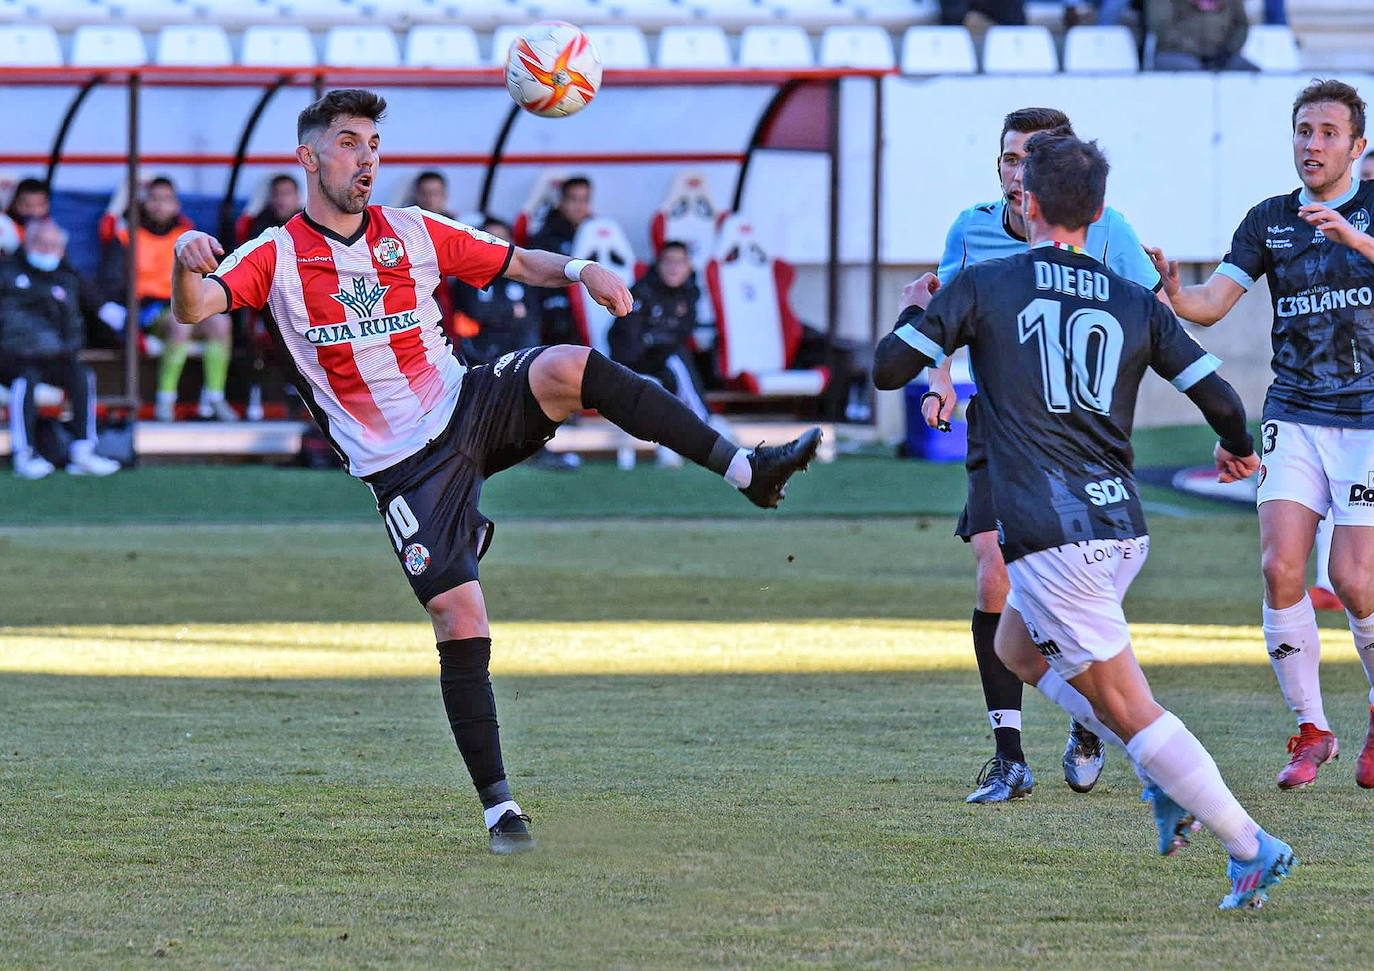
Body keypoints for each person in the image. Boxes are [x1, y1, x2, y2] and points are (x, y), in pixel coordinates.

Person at [169, 89, 821, 853]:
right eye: (348, 143)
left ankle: (750, 469)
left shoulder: (412, 230)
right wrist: (187, 258)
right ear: (308, 157)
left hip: (465, 401)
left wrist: (581, 269)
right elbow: (195, 309)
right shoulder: (276, 254)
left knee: (573, 365)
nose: (366, 158)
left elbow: (518, 262)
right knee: (460, 617)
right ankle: (499, 811)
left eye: (374, 143)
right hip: (403, 466)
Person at [874, 132, 1296, 911]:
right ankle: (1156, 770)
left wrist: (917, 311)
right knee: (1018, 651)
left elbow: (889, 370)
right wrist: (1236, 449)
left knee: (1135, 708)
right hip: (1120, 524)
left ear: (1025, 203)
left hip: (1054, 536)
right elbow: (1224, 400)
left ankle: (1251, 844)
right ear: (1098, 213)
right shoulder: (1132, 297)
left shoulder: (987, 283)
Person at [923, 107, 1167, 804]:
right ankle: (1009, 755)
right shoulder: (969, 229)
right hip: (998, 430)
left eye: (1031, 158)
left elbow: (1152, 319)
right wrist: (939, 377)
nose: (1017, 170)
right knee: (993, 573)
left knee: (1073, 601)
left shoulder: (1106, 229)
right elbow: (938, 316)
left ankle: (1091, 717)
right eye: (1008, 157)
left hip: (1080, 440)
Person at [1146, 79, 1374, 790]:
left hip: (1368, 420)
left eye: (1329, 132)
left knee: (1355, 579)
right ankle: (1312, 727)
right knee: (1280, 566)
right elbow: (1214, 304)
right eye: (1304, 130)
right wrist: (1177, 295)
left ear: (1358, 146)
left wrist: (1355, 240)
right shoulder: (1270, 220)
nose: (1313, 143)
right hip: (1295, 414)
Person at [101, 177, 237, 421]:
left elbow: (205, 275)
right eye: (154, 199)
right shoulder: (127, 236)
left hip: (186, 304)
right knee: (180, 326)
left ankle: (216, 396)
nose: (159, 206)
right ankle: (165, 400)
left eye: (166, 199)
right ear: (144, 202)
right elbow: (113, 282)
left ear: (176, 205)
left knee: (221, 323)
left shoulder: (187, 236)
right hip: (148, 310)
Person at [0, 219, 120, 479]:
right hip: (12, 354)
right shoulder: (6, 273)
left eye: (55, 245)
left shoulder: (66, 277)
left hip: (53, 354)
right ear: (28, 243)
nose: (48, 250)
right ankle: (24, 452)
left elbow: (74, 322)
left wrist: (69, 347)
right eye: (42, 243)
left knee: (81, 374)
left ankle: (83, 449)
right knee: (25, 378)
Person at [609, 240, 710, 466]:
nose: (674, 268)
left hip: (662, 362)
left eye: (680, 262)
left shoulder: (690, 294)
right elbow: (627, 341)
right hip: (631, 361)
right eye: (668, 262)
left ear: (689, 267)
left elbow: (682, 332)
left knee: (674, 367)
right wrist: (659, 343)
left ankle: (678, 440)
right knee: (676, 356)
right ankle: (705, 423)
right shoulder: (642, 291)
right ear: (658, 265)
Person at [528, 175, 592, 345]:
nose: (579, 207)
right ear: (561, 202)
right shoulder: (545, 237)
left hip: (591, 311)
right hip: (556, 317)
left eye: (584, 200)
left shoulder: (598, 234)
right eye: (573, 200)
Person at [1148, 0, 1255, 72]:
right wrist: (1200, 52)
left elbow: (1241, 25)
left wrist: (1227, 51)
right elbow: (1161, 28)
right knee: (1198, 75)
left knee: (1253, 74)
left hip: (1221, 55)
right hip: (1176, 52)